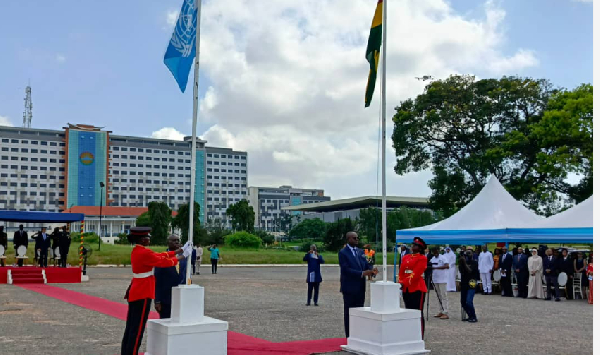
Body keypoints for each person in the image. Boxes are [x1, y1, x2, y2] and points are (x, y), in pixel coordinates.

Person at [121, 227, 190, 355]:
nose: (149, 239)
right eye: (148, 237)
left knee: (131, 326)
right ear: (143, 239)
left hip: (137, 290)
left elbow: (159, 255)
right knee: (137, 329)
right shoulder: (144, 253)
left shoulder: (138, 250)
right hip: (143, 292)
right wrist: (182, 256)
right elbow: (163, 262)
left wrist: (178, 251)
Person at [338, 231, 377, 338]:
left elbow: (365, 264)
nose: (357, 239)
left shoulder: (361, 252)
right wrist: (362, 273)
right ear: (348, 239)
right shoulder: (343, 253)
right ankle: (349, 336)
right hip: (349, 287)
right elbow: (345, 270)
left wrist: (371, 271)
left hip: (360, 287)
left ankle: (358, 335)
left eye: (357, 238)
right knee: (349, 312)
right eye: (354, 238)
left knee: (360, 311)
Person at [399, 237, 428, 338]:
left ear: (420, 248)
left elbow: (416, 273)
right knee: (409, 311)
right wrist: (400, 281)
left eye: (415, 245)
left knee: (417, 312)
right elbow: (401, 271)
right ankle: (410, 334)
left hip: (417, 288)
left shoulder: (422, 258)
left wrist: (404, 282)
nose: (413, 246)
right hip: (406, 288)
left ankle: (419, 336)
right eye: (413, 244)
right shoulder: (406, 257)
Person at [154, 235, 187, 319]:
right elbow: (157, 280)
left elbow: (185, 275)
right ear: (168, 243)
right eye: (173, 240)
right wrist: (157, 300)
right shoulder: (162, 257)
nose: (176, 242)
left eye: (178, 240)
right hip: (166, 298)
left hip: (181, 296)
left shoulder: (184, 257)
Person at [458, 246, 478, 323]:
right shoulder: (464, 262)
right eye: (467, 252)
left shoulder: (475, 262)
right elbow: (461, 271)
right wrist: (461, 262)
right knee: (463, 302)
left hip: (471, 283)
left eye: (470, 252)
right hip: (464, 283)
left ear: (472, 253)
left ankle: (473, 316)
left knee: (469, 301)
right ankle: (470, 315)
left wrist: (464, 263)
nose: (468, 254)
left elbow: (470, 270)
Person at [430, 247, 449, 319]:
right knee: (438, 296)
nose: (435, 252)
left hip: (442, 279)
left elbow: (447, 266)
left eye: (436, 251)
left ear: (438, 251)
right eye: (434, 251)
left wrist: (436, 268)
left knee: (444, 295)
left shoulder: (443, 257)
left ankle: (446, 312)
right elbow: (430, 265)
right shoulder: (432, 259)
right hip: (435, 279)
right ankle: (441, 311)